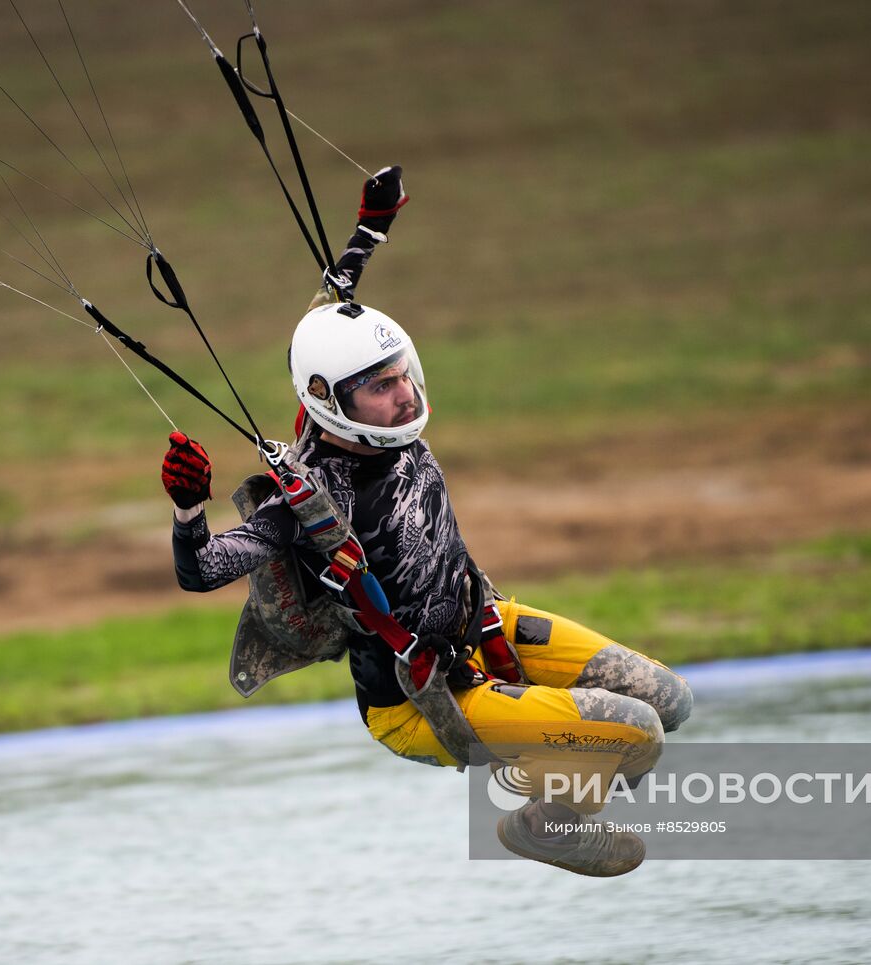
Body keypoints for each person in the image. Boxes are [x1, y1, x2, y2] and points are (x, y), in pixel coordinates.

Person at [162, 166, 692, 876]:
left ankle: (549, 753)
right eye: (382, 386)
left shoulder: (388, 422)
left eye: (403, 371)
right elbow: (200, 571)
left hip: (484, 623)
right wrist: (188, 508)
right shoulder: (308, 499)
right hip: (421, 697)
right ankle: (544, 822)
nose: (404, 394)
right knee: (638, 735)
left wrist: (370, 225)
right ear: (329, 401)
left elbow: (330, 308)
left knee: (670, 698)